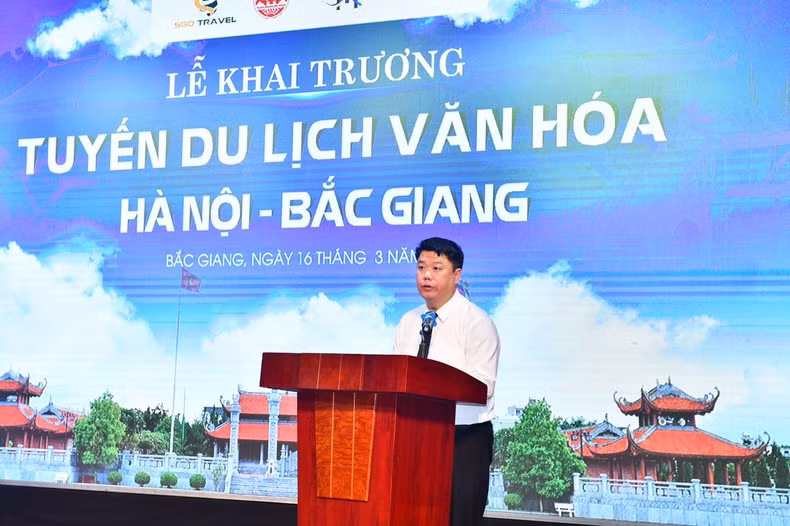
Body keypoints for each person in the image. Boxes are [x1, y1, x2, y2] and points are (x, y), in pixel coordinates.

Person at [393, 237, 501, 526]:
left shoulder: (477, 323)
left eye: (437, 267)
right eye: (421, 267)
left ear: (457, 275)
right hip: (414, 438)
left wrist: (431, 384)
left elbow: (483, 387)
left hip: (464, 439)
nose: (426, 275)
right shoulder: (408, 322)